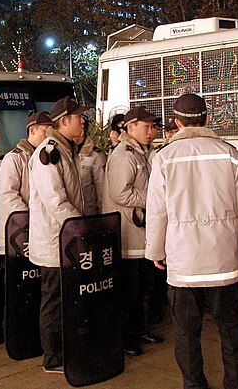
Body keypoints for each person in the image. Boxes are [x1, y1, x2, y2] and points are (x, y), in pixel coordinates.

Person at [146, 93, 238, 389]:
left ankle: (194, 385)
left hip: (183, 261)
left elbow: (157, 211)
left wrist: (156, 250)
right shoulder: (229, 153)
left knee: (185, 331)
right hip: (223, 256)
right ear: (207, 119)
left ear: (177, 122)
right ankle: (236, 384)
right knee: (231, 326)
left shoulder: (164, 157)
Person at [28, 96, 87, 374]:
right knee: (54, 300)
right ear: (64, 121)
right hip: (55, 242)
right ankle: (53, 358)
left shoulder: (66, 150)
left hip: (66, 239)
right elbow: (56, 201)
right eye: (78, 117)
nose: (83, 121)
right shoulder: (48, 153)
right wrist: (80, 226)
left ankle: (64, 350)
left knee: (64, 299)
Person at [103, 106, 164, 356]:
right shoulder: (125, 155)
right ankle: (126, 337)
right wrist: (153, 198)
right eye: (146, 126)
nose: (151, 131)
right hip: (129, 232)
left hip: (141, 232)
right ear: (130, 128)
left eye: (153, 126)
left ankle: (138, 330)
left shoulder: (141, 153)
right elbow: (119, 192)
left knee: (142, 288)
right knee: (129, 289)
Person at [0, 111, 53, 253]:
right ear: (32, 130)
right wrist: (26, 217)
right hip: (18, 229)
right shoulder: (14, 158)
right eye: (45, 131)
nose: (50, 136)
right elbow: (8, 194)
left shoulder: (48, 157)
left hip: (39, 229)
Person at [77, 119, 106, 216]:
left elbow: (101, 187)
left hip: (89, 213)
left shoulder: (94, 155)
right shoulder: (66, 153)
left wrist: (103, 214)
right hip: (69, 215)